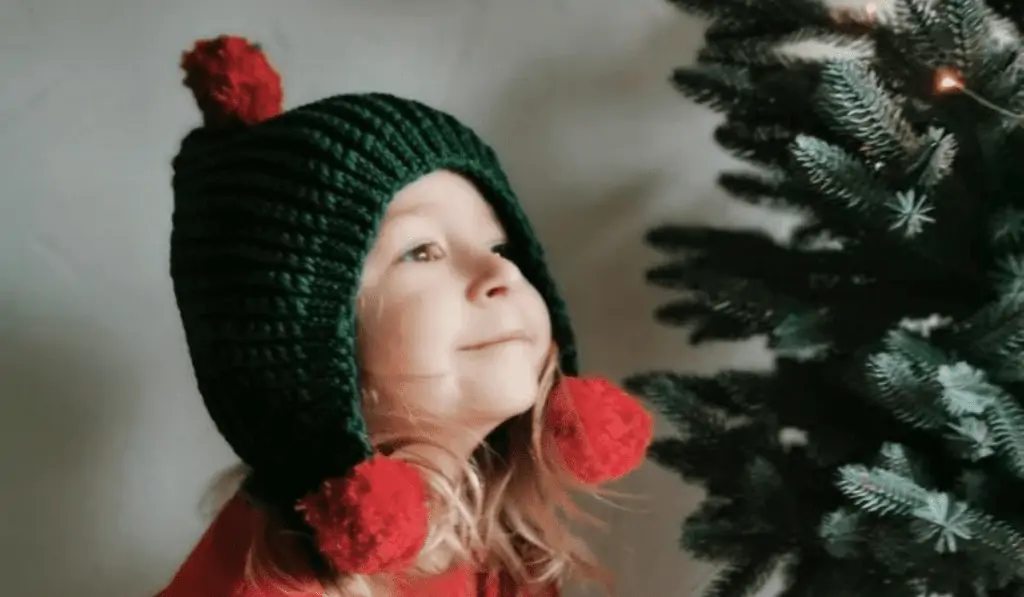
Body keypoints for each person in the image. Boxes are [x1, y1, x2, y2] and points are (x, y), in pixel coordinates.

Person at [155, 34, 653, 597]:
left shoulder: (495, 543)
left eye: (501, 247)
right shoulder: (267, 588)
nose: (503, 276)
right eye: (422, 251)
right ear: (312, 351)